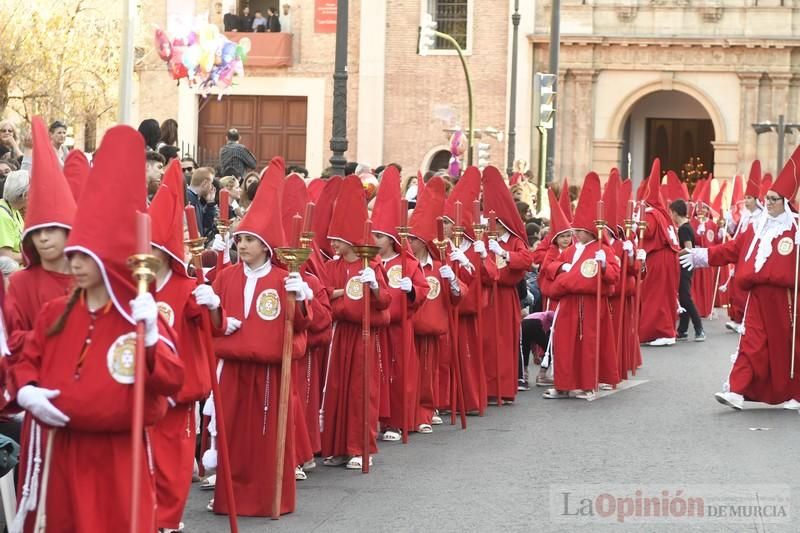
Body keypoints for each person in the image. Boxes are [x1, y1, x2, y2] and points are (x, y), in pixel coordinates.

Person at [5, 124, 184, 532]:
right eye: (75, 256)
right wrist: (28, 390)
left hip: (118, 458)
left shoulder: (138, 315)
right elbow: (24, 358)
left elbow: (172, 380)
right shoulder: (56, 313)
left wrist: (153, 336)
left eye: (86, 256)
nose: (76, 264)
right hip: (64, 450)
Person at [210, 156, 313, 516]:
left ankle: (269, 499)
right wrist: (215, 314)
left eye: (250, 240)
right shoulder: (226, 277)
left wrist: (300, 299)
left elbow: (300, 326)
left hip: (269, 373)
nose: (242, 245)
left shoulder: (282, 280)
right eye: (240, 239)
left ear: (266, 245)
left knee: (267, 440)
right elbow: (213, 321)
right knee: (233, 438)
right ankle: (230, 498)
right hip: (234, 370)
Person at [681, 147, 800, 410]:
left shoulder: (796, 229)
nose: (767, 203)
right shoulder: (756, 228)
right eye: (766, 199)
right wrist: (701, 256)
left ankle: (793, 392)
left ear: (785, 202)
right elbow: (731, 250)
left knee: (785, 347)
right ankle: (737, 390)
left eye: (773, 199)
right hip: (757, 296)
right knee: (751, 342)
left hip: (787, 298)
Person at [148, 162, 217, 532]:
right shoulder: (135, 288)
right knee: (145, 457)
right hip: (144, 387)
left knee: (173, 458)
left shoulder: (186, 287)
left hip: (177, 389)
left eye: (155, 248)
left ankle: (167, 519)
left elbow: (211, 328)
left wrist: (212, 304)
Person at [321, 175, 390, 470]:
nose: (333, 244)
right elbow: (324, 299)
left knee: (362, 391)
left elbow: (384, 301)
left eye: (338, 239)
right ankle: (337, 446)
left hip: (363, 337)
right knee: (336, 390)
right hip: (339, 334)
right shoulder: (330, 266)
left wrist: (374, 286)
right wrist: (341, 298)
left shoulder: (370, 266)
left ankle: (360, 447)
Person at [542, 173, 620, 400]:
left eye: (579, 230)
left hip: (591, 304)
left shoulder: (602, 249)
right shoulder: (571, 250)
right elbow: (551, 266)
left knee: (588, 345)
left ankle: (587, 384)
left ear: (590, 231)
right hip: (568, 303)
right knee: (564, 344)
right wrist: (563, 271)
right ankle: (563, 384)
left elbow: (613, 275)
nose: (575, 234)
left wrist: (604, 266)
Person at [370, 165, 429, 440]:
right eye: (373, 235)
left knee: (401, 374)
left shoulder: (407, 262)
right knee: (378, 375)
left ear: (392, 239)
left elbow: (423, 288)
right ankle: (379, 419)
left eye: (380, 237)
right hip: (379, 328)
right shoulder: (371, 262)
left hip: (400, 327)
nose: (375, 241)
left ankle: (399, 420)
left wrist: (412, 291)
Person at [481, 166, 532, 404]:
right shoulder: (483, 239)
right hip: (485, 296)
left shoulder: (514, 240)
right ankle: (486, 388)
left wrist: (503, 253)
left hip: (504, 297)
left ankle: (502, 388)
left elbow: (526, 260)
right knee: (486, 343)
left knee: (503, 343)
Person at [638, 159, 681, 346]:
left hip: (658, 258)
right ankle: (667, 329)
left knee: (656, 296)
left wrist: (635, 225)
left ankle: (660, 331)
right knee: (666, 295)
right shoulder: (662, 213)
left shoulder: (650, 213)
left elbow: (647, 231)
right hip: (669, 258)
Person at [723, 161, 763, 333]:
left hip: (753, 258)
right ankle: (738, 318)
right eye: (745, 198)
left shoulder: (762, 217)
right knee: (737, 288)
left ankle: (746, 320)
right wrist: (730, 222)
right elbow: (736, 234)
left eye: (749, 198)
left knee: (748, 290)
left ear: (756, 199)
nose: (746, 201)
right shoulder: (746, 216)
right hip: (740, 256)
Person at [670, 199, 705, 341]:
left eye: (671, 212)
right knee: (683, 298)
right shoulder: (686, 226)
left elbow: (689, 248)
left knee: (685, 298)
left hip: (685, 265)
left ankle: (699, 328)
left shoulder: (684, 228)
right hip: (685, 265)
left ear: (675, 213)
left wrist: (675, 253)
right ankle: (683, 330)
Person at [0, 170, 29, 264]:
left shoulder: (14, 209)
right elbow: (5, 257)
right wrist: (36, 257)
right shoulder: (3, 216)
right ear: (25, 195)